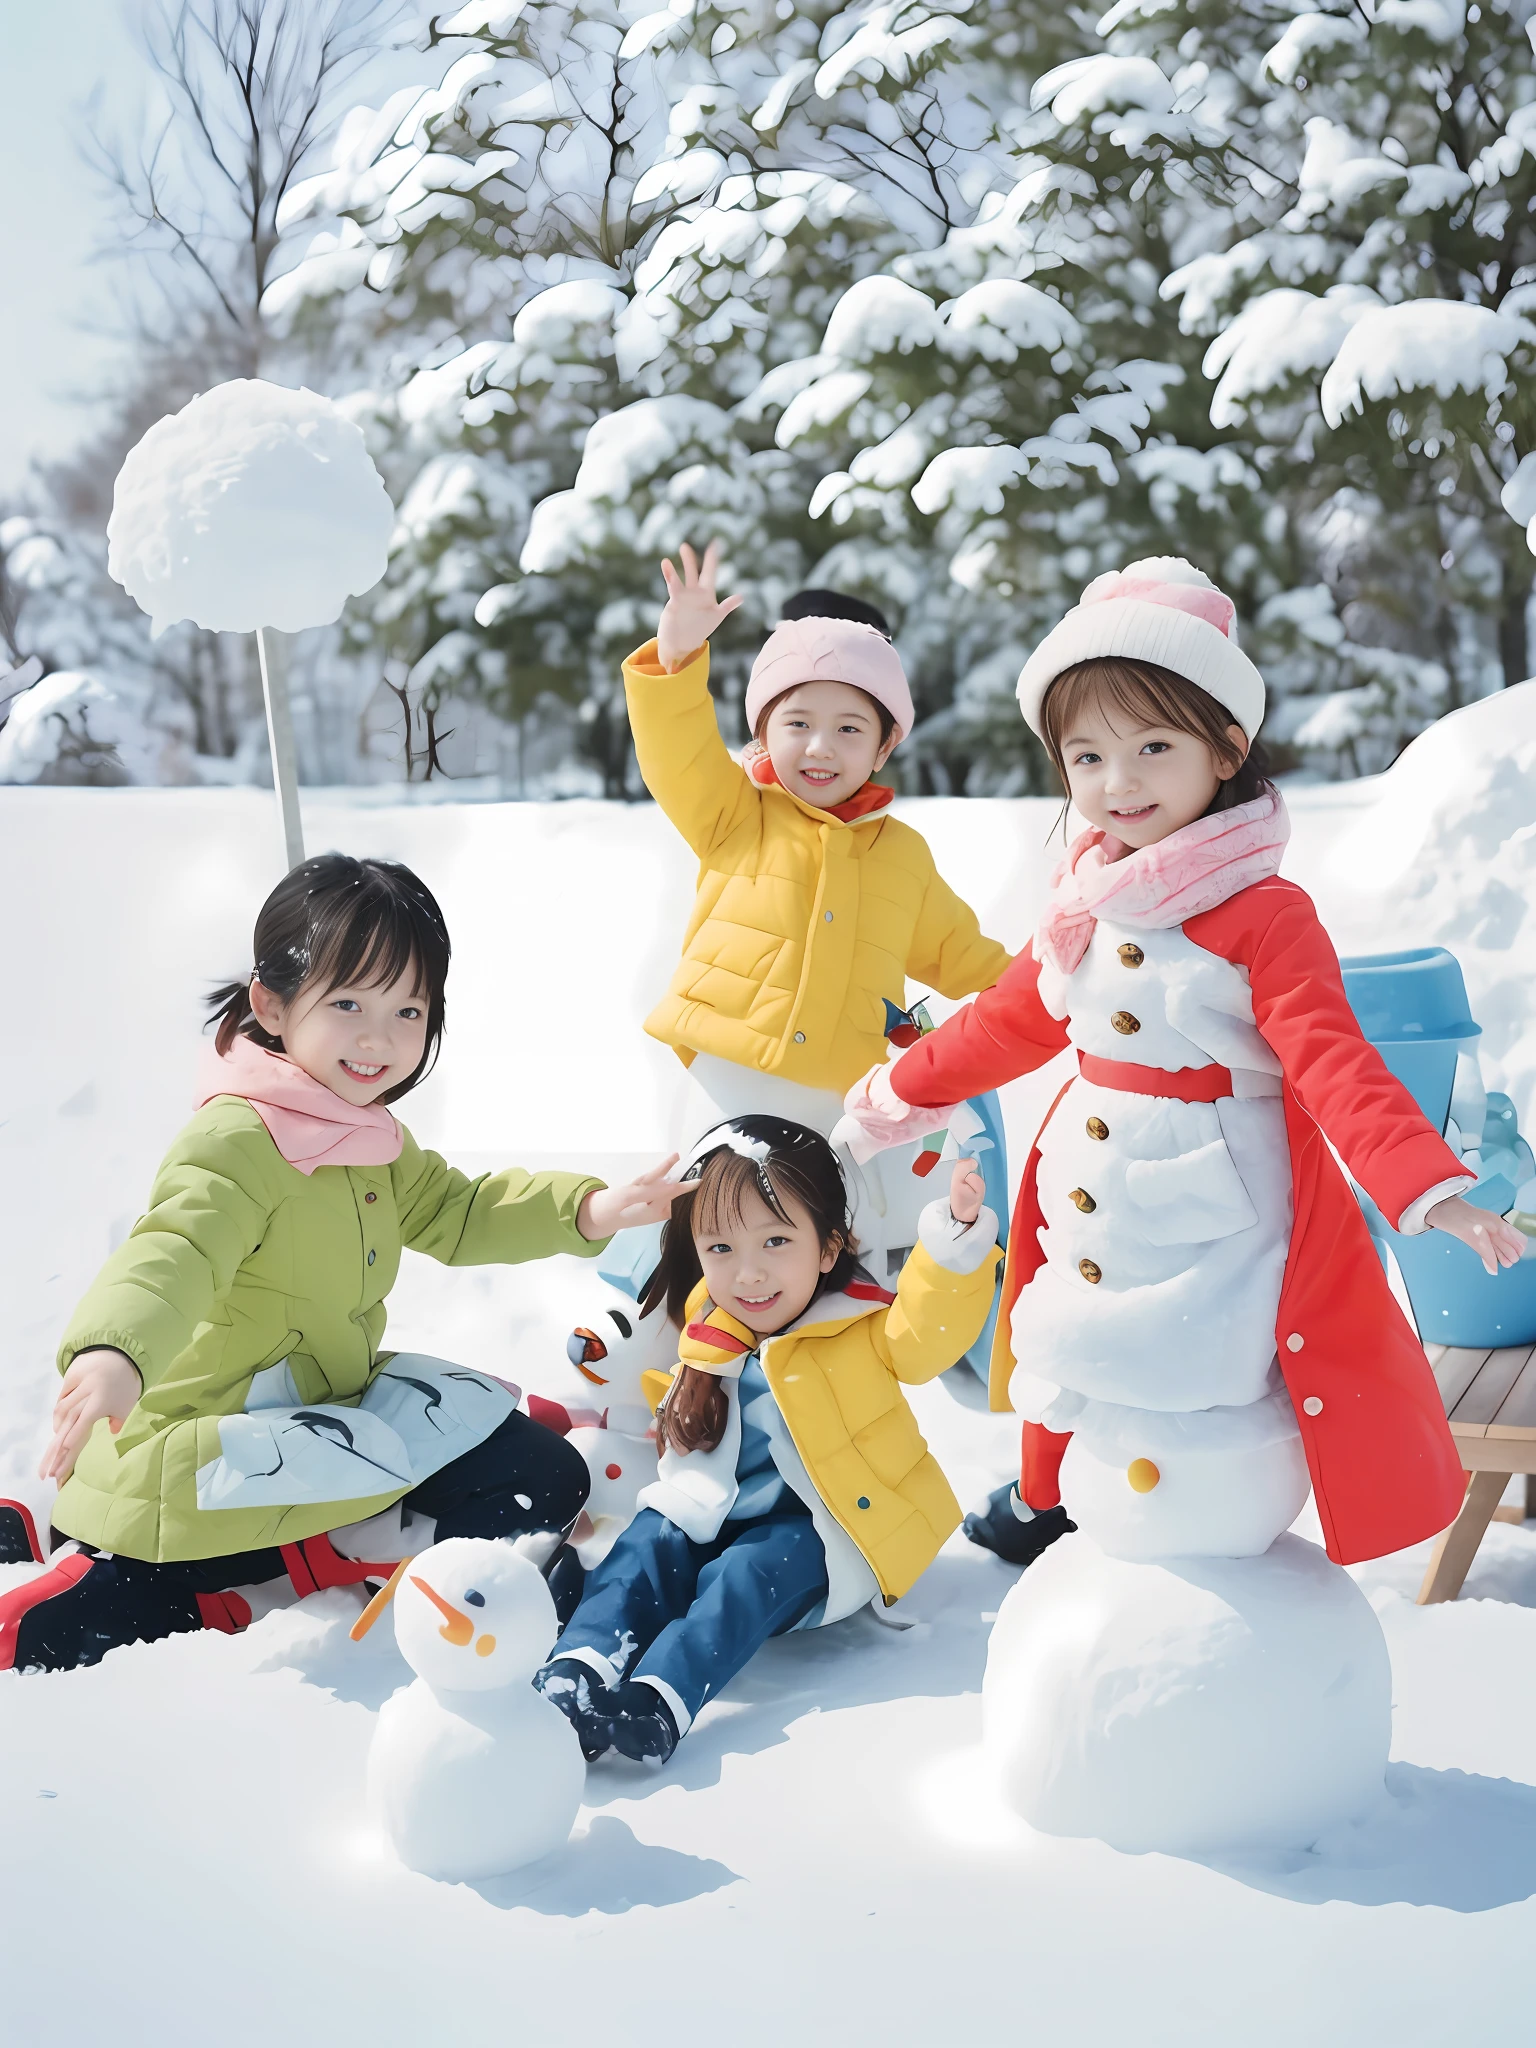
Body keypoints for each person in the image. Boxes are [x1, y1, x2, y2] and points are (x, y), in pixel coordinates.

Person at [838, 557, 1523, 1569]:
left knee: (1202, 1398)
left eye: (1153, 746)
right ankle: (1096, 1534)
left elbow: (1332, 1058)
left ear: (1225, 747)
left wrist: (1431, 1189)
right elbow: (1010, 1019)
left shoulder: (1262, 910)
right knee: (1095, 1380)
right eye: (1087, 756)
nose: (1118, 784)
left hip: (1215, 1211)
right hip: (1092, 1191)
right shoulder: (1085, 898)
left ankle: (1210, 1576)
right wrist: (900, 1088)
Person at [0, 854, 685, 1673]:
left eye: (407, 1010)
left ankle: (307, 1551)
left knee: (540, 1480)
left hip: (323, 1409)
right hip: (204, 1450)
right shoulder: (239, 1139)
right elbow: (171, 1254)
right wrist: (117, 1354)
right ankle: (103, 1566)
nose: (378, 1038)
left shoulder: (367, 1138)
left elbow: (458, 1211)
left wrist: (590, 1210)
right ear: (273, 1004)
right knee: (121, 1598)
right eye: (349, 1003)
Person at [536, 1115, 1000, 1763]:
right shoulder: (709, 1329)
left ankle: (657, 1700)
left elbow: (926, 1338)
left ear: (829, 1248)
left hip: (825, 1530)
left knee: (744, 1573)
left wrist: (952, 1248)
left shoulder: (861, 1329)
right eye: (721, 1249)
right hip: (717, 1508)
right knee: (646, 1544)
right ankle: (577, 1667)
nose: (748, 1274)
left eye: (776, 1241)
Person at [618, 543, 1013, 1278]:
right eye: (797, 722)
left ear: (884, 746)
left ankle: (814, 1366)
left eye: (850, 729)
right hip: (730, 1069)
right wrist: (676, 660)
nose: (820, 746)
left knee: (813, 1244)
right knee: (703, 1229)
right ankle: (639, 1347)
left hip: (840, 1092)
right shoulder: (736, 811)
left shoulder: (903, 855)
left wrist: (1052, 981)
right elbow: (678, 753)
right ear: (764, 731)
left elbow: (967, 956)